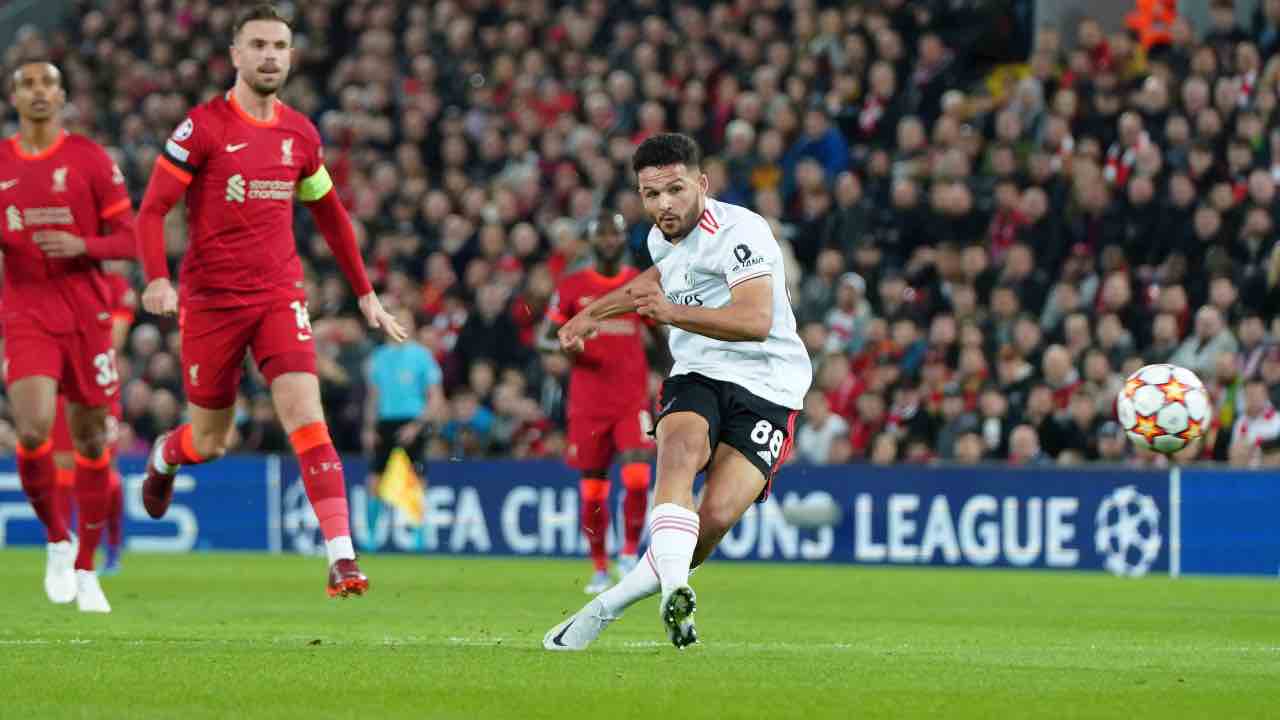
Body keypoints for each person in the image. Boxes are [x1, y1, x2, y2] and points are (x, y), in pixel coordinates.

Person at [134, 4, 406, 598]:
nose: (269, 56)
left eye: (279, 46)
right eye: (257, 45)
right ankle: (165, 455)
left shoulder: (300, 134)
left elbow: (330, 215)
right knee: (211, 442)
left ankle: (342, 557)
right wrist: (156, 278)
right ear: (236, 54)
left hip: (279, 295)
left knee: (307, 418)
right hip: (211, 303)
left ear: (291, 56)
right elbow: (152, 210)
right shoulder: (202, 128)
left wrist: (366, 294)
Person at [544, 133, 812, 650]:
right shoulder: (658, 239)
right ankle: (675, 592)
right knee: (678, 455)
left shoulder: (742, 231)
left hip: (771, 385)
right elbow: (652, 280)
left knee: (712, 519)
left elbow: (756, 320)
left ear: (702, 184)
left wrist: (672, 313)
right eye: (651, 194)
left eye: (675, 190)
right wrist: (590, 314)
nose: (664, 204)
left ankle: (608, 605)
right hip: (698, 372)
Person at [0, 61, 138, 612]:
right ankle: (57, 540)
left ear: (61, 97)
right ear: (14, 98)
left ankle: (86, 566)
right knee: (33, 430)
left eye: (48, 84)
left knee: (91, 443)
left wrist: (83, 246)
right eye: (27, 85)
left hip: (86, 317)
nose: (39, 92)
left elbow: (130, 240)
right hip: (26, 314)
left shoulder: (90, 159)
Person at [541, 212, 656, 594]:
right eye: (602, 235)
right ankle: (600, 568)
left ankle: (629, 553)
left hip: (632, 398)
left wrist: (670, 371)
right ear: (591, 242)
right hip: (588, 402)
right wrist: (568, 346)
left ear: (624, 239)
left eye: (614, 234)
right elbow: (545, 336)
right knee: (593, 488)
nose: (608, 241)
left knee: (638, 475)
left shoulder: (639, 284)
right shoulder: (572, 285)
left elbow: (663, 332)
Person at [48, 267, 136, 574]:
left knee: (104, 465)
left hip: (98, 380)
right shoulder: (55, 279)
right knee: (62, 465)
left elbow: (116, 340)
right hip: (62, 384)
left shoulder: (114, 284)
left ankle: (112, 548)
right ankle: (64, 548)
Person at [362, 306, 445, 535]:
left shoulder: (422, 356)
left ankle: (418, 536)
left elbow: (435, 398)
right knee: (375, 479)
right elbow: (373, 397)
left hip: (413, 421)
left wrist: (417, 426)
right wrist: (369, 428)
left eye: (405, 321)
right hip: (385, 422)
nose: (400, 324)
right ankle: (370, 537)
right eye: (396, 320)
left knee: (417, 479)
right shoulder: (378, 357)